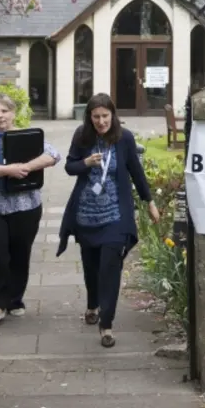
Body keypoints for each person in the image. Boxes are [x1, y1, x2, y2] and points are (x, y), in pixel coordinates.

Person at [57, 93, 160, 348]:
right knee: (91, 267)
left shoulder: (124, 138)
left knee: (110, 268)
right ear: (89, 117)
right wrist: (86, 162)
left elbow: (136, 171)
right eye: (96, 117)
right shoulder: (82, 136)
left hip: (116, 215)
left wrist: (150, 202)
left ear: (112, 115)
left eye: (105, 116)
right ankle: (92, 304)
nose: (101, 121)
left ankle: (107, 324)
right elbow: (69, 167)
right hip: (86, 215)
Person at [0, 92, 61, 325]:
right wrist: (8, 170)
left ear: (13, 113)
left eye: (4, 111)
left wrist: (26, 167)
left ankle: (15, 300)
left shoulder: (28, 137)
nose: (0, 116)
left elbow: (53, 155)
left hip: (26, 206)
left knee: (20, 254)